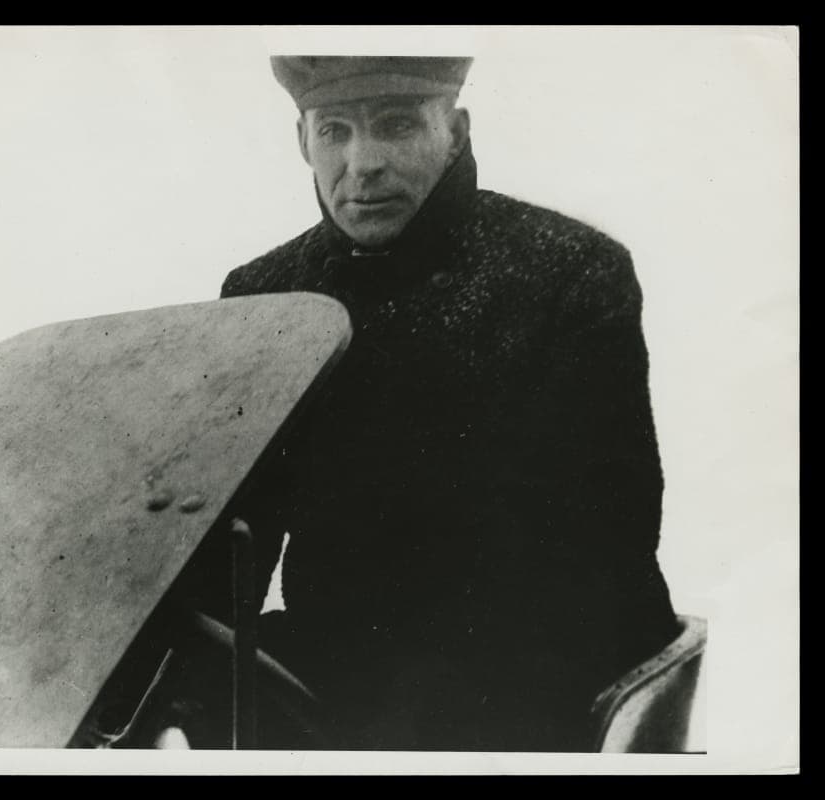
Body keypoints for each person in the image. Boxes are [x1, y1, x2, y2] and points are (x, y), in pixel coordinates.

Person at [180, 55, 679, 751]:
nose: (363, 162)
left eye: (396, 126)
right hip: (339, 658)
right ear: (303, 143)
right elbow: (227, 546)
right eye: (335, 132)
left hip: (534, 657)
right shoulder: (264, 295)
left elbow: (599, 554)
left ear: (456, 130)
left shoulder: (570, 272)